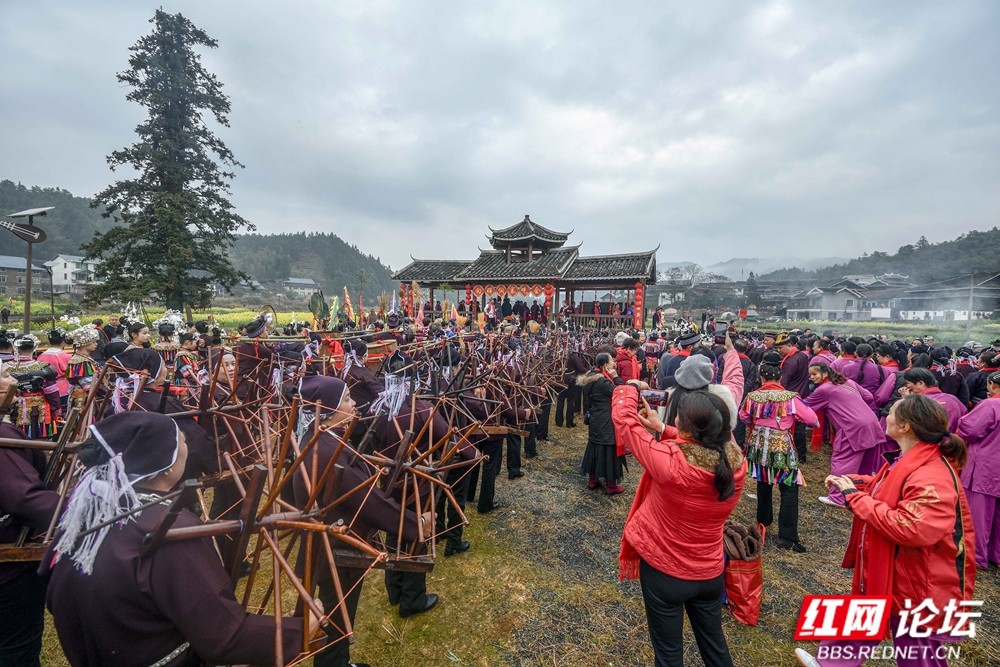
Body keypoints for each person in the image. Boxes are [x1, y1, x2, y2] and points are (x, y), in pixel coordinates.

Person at [41, 411, 307, 665]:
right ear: (165, 465)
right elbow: (224, 635)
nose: (187, 445)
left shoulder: (83, 517)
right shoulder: (168, 531)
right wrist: (302, 629)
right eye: (181, 441)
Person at [796, 395, 976, 667]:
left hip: (921, 579)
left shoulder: (931, 474)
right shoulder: (912, 459)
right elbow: (889, 486)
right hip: (901, 567)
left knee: (918, 649)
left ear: (905, 426)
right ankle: (831, 662)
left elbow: (912, 527)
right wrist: (855, 483)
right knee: (873, 611)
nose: (885, 417)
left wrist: (855, 498)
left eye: (890, 413)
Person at [293, 375, 422, 667]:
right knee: (337, 615)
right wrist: (415, 526)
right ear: (328, 411)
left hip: (330, 543)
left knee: (336, 611)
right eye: (347, 399)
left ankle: (338, 662)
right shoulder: (327, 451)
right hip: (337, 548)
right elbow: (369, 502)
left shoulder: (317, 437)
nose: (353, 404)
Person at [614, 388, 746, 667]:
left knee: (669, 652)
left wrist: (625, 388)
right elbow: (702, 450)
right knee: (715, 645)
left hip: (666, 572)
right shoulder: (736, 464)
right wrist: (662, 427)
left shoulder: (672, 465)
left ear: (685, 427)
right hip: (710, 573)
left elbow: (625, 422)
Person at [0, 365, 59, 666]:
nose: (12, 380)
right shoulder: (2, 436)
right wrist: (76, 513)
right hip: (8, 566)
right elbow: (26, 498)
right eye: (5, 375)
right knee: (15, 650)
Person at [740, 358, 818, 552]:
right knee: (789, 486)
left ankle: (763, 522)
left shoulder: (753, 396)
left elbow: (743, 416)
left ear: (761, 377)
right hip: (781, 443)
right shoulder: (790, 397)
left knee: (763, 481)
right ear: (781, 377)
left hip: (758, 444)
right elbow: (811, 418)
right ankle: (788, 536)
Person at [805, 364, 885, 507]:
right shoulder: (848, 382)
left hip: (851, 427)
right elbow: (869, 396)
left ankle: (838, 497)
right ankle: (860, 492)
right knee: (864, 464)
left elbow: (805, 406)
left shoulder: (825, 389)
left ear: (825, 373)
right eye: (810, 375)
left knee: (843, 460)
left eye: (814, 374)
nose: (811, 377)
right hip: (871, 422)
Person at [957, 370, 1000, 569]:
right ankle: (995, 554)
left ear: (992, 385)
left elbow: (969, 429)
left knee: (977, 514)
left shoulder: (991, 405)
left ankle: (975, 555)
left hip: (985, 467)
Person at [579, 351, 626, 494]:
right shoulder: (603, 382)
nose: (614, 363)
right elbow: (620, 392)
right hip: (606, 419)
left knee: (595, 447)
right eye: (612, 361)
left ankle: (593, 480)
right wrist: (616, 377)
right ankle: (611, 485)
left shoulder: (590, 376)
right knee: (609, 450)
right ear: (605, 365)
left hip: (595, 418)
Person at [900, 367, 967, 431]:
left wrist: (907, 400)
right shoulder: (953, 399)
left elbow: (908, 424)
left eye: (908, 383)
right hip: (954, 440)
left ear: (920, 383)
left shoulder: (918, 402)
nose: (907, 386)